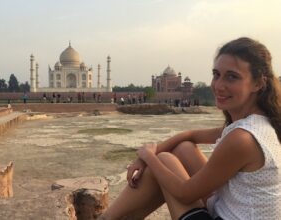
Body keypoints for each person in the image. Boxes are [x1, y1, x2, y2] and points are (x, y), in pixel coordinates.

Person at [99, 37, 281, 220]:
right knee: (183, 147)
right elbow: (190, 135)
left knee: (162, 161)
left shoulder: (243, 139)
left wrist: (149, 156)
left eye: (232, 76)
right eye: (216, 74)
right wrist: (142, 159)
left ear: (259, 83)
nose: (218, 85)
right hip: (232, 210)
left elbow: (185, 194)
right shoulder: (257, 123)